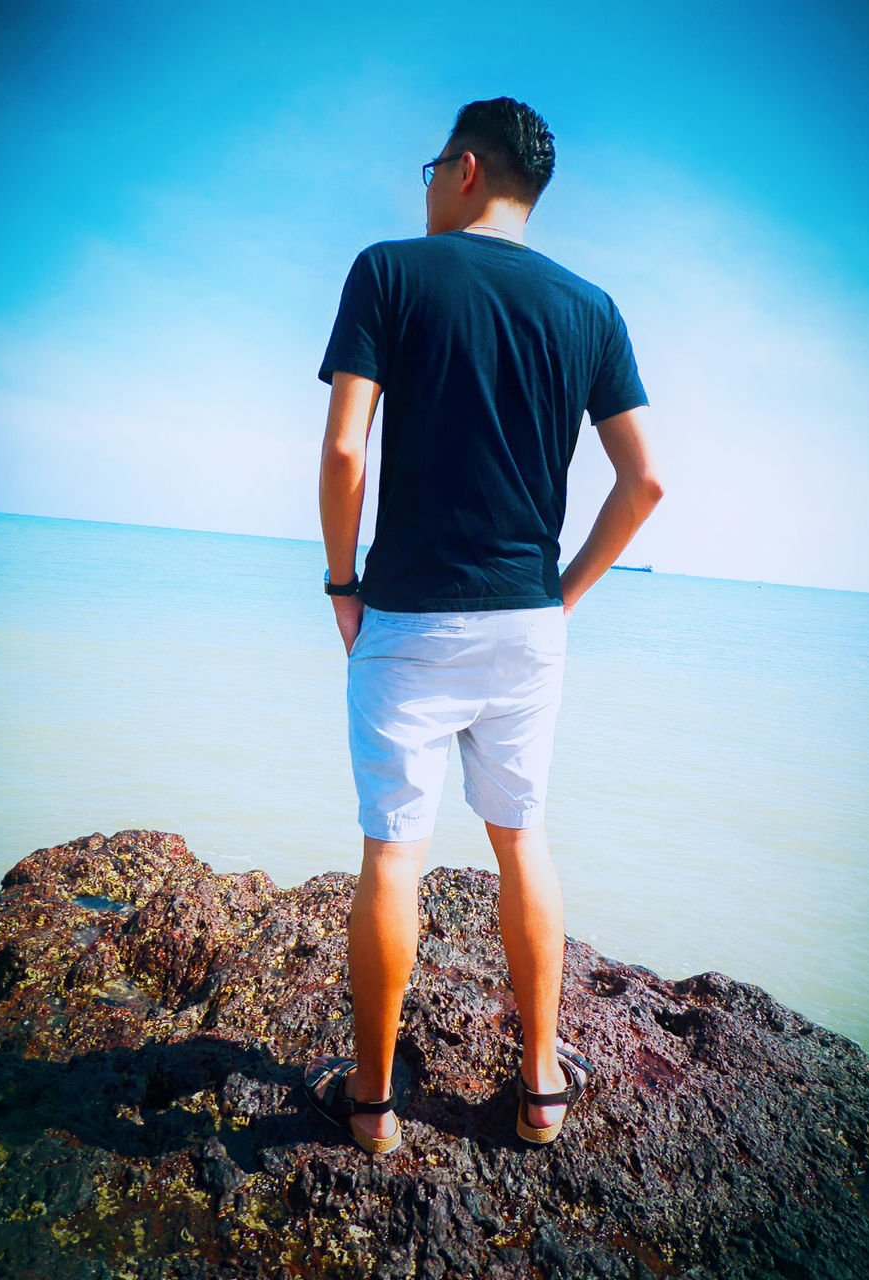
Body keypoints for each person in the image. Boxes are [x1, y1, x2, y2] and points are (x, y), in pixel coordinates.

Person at [305, 98, 662, 1155]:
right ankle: (543, 1087)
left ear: (463, 167)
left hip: (409, 613)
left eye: (430, 165)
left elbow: (340, 454)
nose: (424, 185)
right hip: (525, 622)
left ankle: (371, 1105)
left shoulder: (391, 270)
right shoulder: (591, 307)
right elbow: (644, 482)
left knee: (393, 857)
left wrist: (340, 584)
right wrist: (565, 593)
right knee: (522, 840)